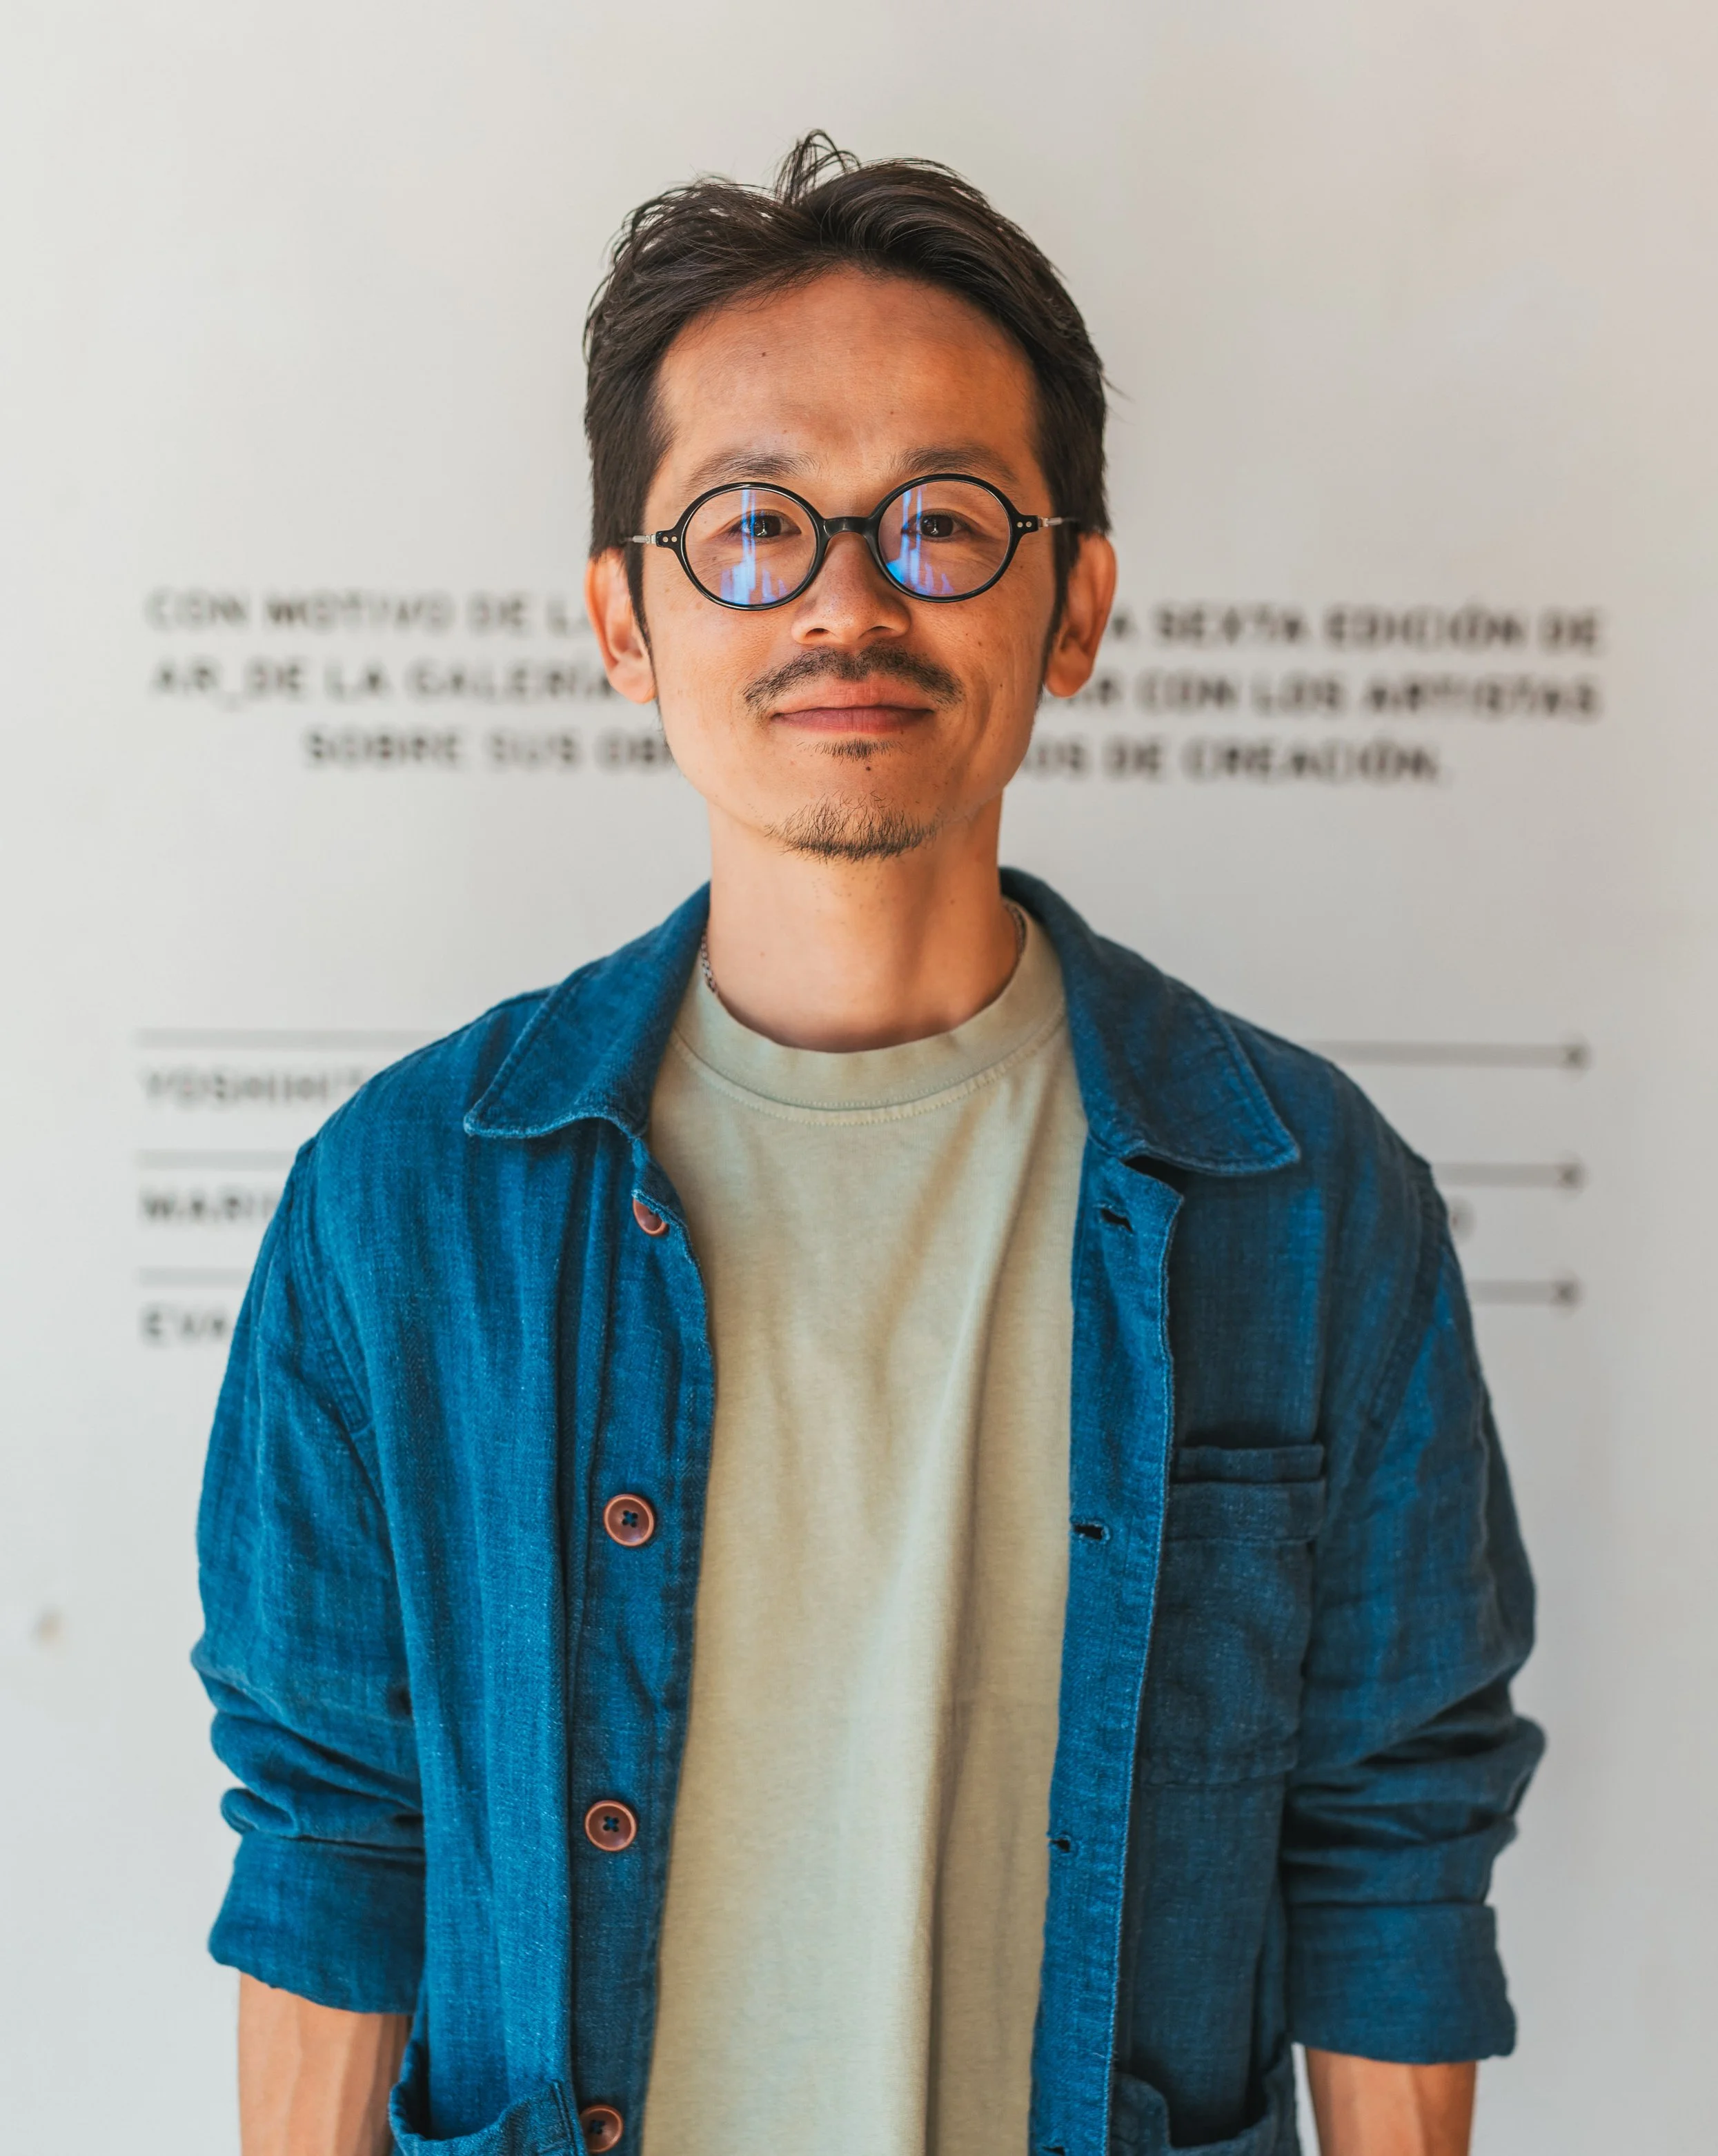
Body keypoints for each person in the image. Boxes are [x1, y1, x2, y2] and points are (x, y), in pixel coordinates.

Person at [196, 135, 1541, 2156]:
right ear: (623, 621)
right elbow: (333, 1833)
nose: (843, 597)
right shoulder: (404, 1205)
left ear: (1075, 605)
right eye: (749, 524)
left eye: (942, 522)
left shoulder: (1306, 1191)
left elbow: (1389, 1839)